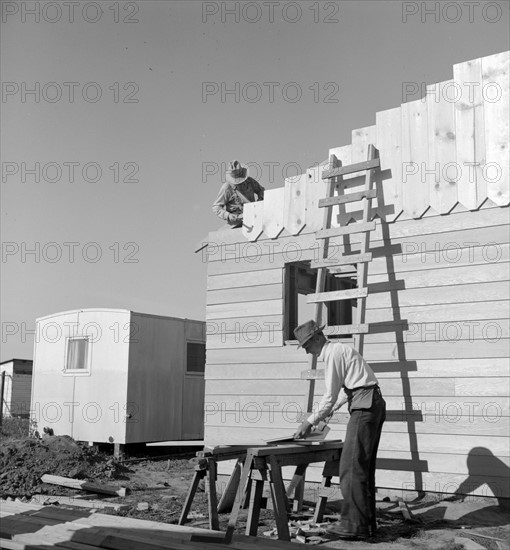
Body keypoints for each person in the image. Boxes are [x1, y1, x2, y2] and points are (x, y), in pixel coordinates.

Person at [293, 320, 386, 540]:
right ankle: (367, 524)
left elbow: (330, 395)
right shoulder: (340, 350)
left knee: (350, 467)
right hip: (371, 403)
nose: (306, 350)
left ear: (317, 338)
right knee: (363, 467)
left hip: (364, 407)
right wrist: (331, 410)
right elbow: (348, 389)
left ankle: (353, 526)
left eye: (306, 344)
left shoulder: (333, 353)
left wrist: (309, 422)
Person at [212, 160, 264, 228]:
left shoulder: (250, 181)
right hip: (237, 223)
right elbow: (216, 207)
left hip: (253, 217)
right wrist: (228, 215)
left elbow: (261, 190)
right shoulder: (227, 188)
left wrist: (260, 201)